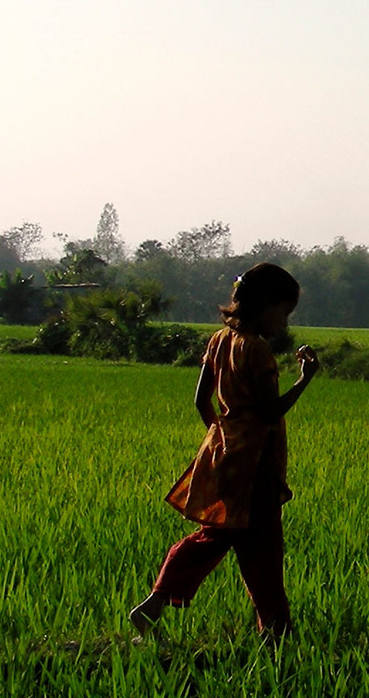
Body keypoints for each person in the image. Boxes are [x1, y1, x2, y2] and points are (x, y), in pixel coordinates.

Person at [130, 263, 319, 639]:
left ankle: (156, 602)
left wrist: (222, 437)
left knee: (217, 536)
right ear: (265, 307)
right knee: (263, 549)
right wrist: (305, 379)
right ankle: (277, 630)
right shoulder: (257, 350)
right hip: (257, 467)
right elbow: (269, 411)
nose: (284, 322)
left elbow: (202, 399)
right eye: (283, 313)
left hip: (224, 457)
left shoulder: (219, 340)